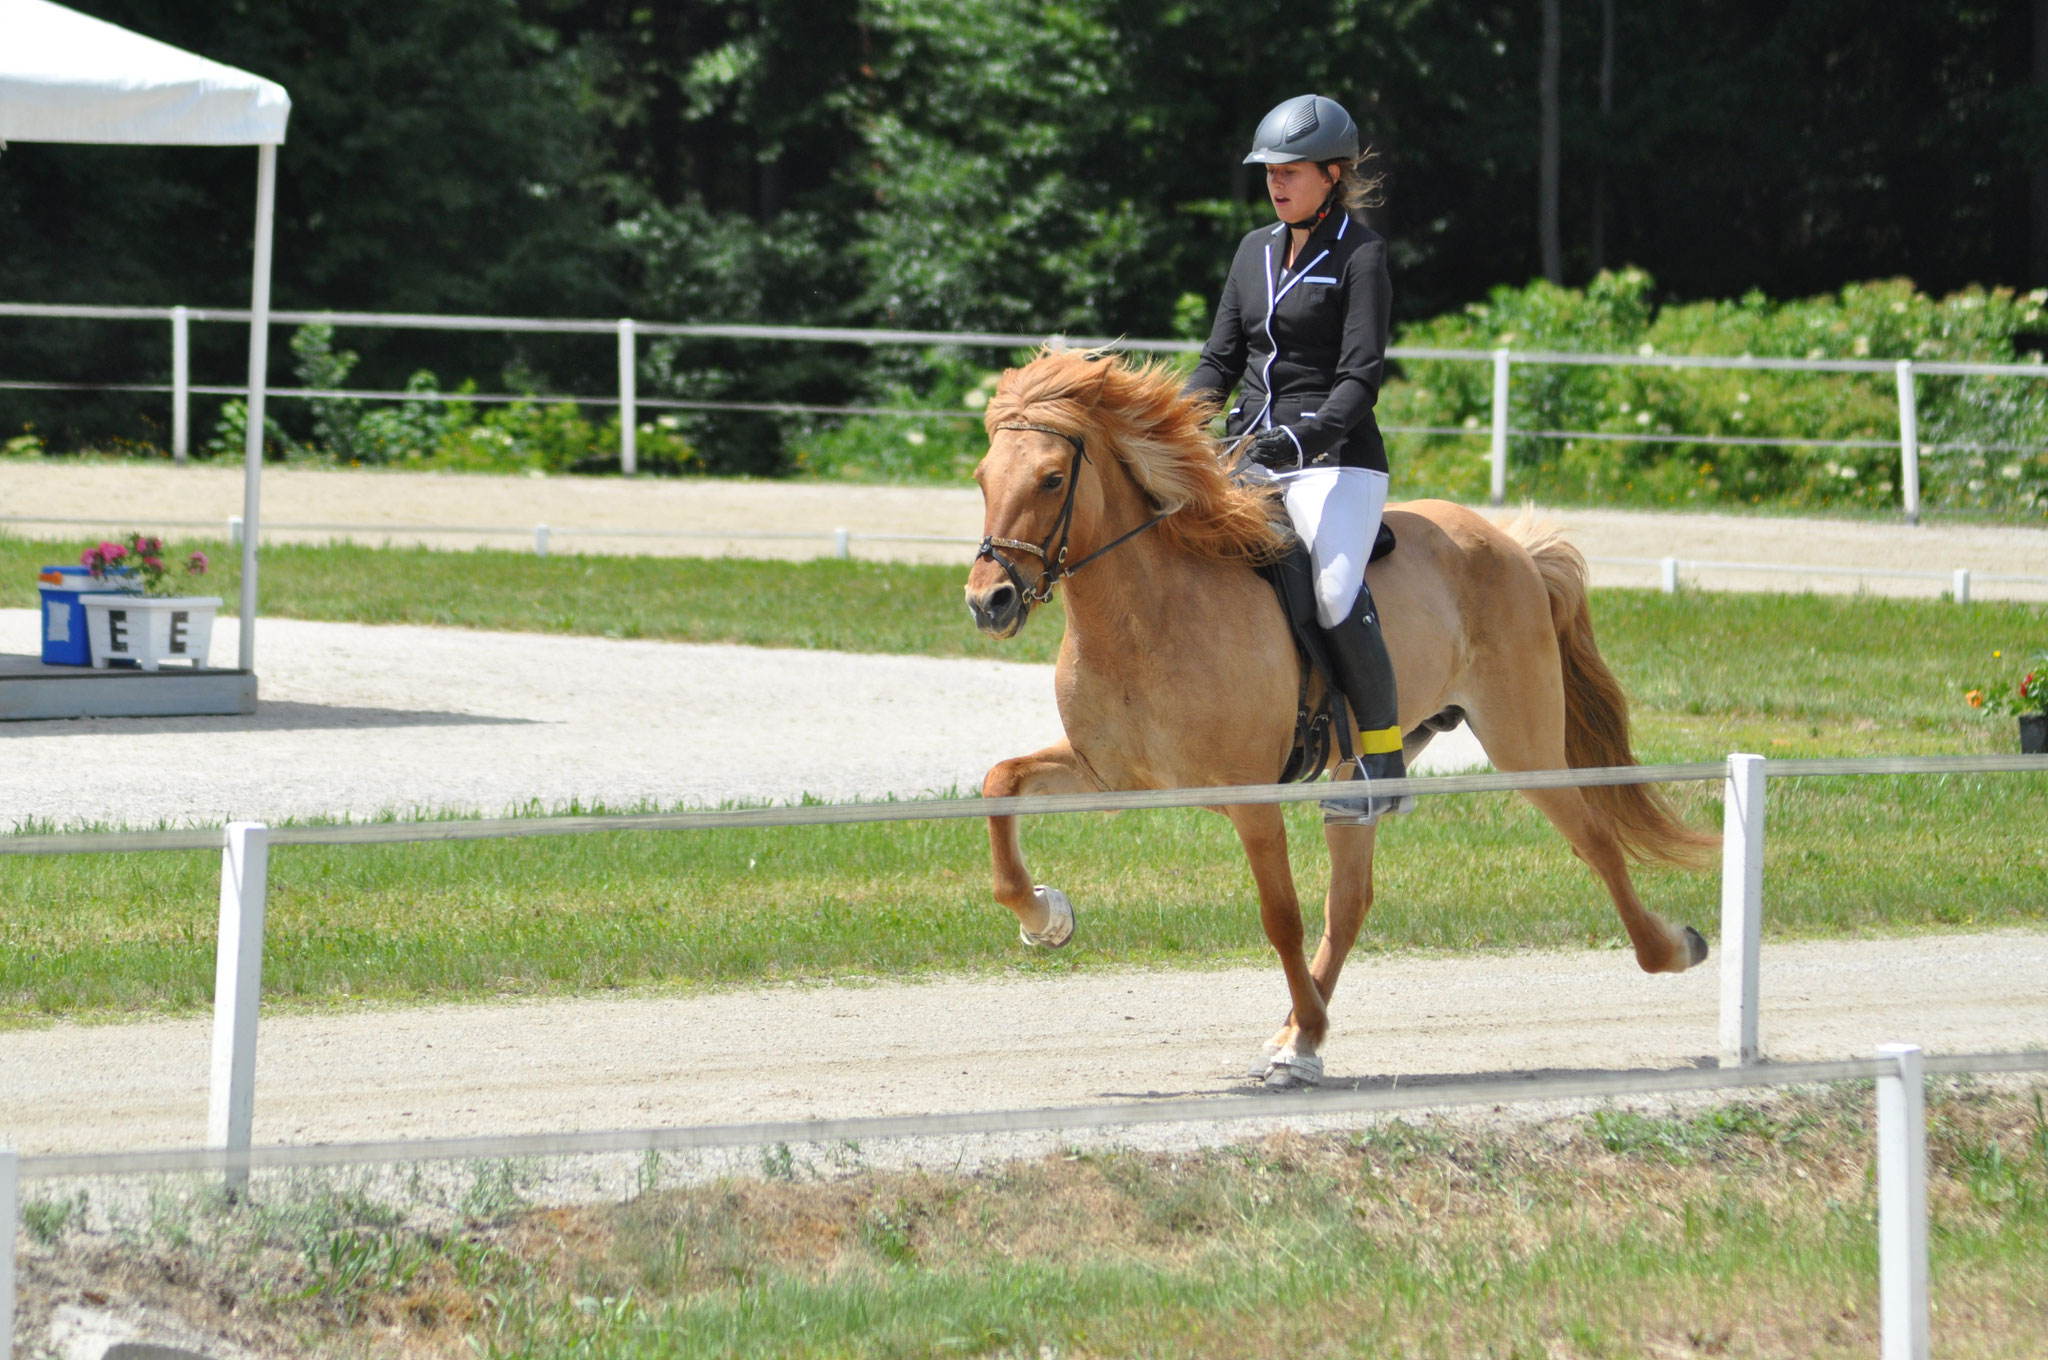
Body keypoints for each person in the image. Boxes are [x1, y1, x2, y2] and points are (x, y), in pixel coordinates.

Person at [1183, 92, 1411, 825]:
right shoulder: (1252, 250)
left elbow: (1360, 378)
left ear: (1333, 174)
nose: (1277, 182)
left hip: (1335, 460)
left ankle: (1381, 762)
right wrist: (1175, 430)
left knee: (1336, 592)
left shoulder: (1362, 254)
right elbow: (1219, 362)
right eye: (1269, 171)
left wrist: (1303, 437)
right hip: (1248, 450)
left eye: (1292, 170)